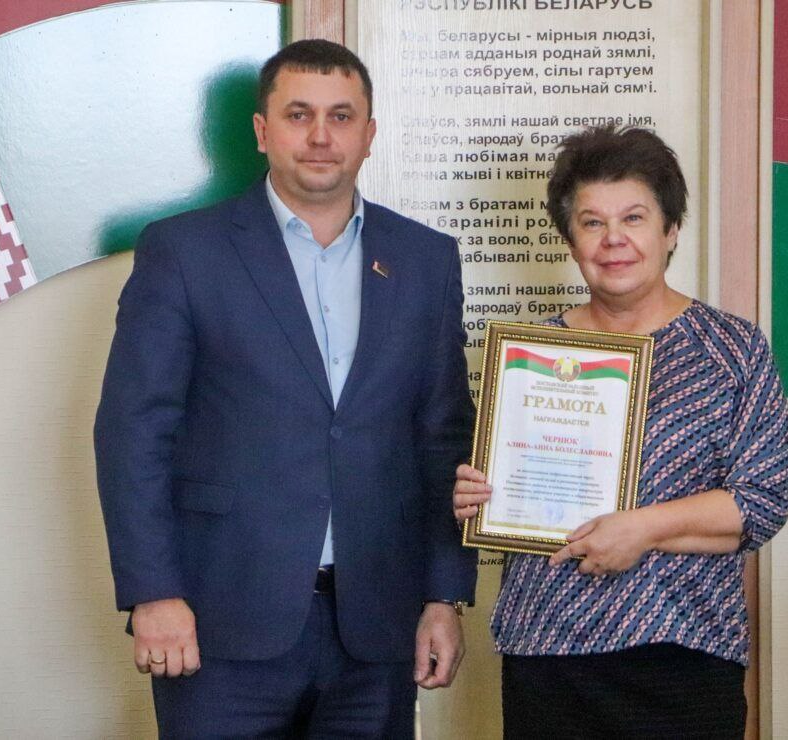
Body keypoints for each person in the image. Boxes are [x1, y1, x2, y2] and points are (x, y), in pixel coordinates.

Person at [95, 39, 476, 738]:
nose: (321, 136)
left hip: (379, 626)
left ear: (369, 133)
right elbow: (134, 433)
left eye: (341, 116)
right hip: (217, 622)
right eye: (299, 115)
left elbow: (443, 437)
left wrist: (443, 595)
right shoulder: (184, 251)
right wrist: (154, 592)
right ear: (262, 131)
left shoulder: (426, 259)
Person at [453, 124, 788, 739]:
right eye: (592, 222)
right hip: (547, 654)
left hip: (684, 655)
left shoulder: (733, 349)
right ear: (570, 239)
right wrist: (476, 497)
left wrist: (642, 529)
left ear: (671, 230)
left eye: (634, 218)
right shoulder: (530, 358)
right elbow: (504, 495)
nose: (614, 239)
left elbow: (762, 502)